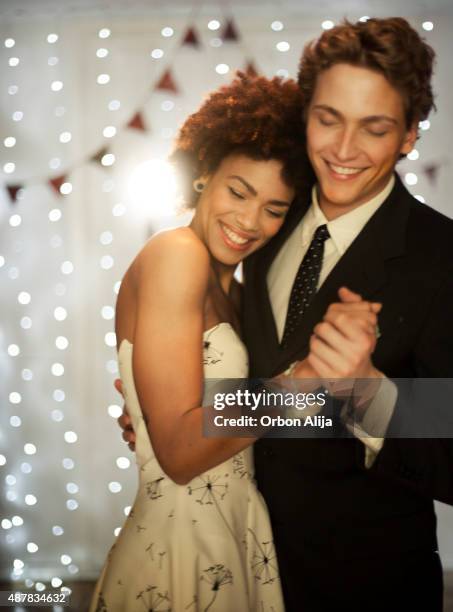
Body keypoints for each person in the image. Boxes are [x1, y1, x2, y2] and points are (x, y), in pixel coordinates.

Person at [120, 17, 453, 612]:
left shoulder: (441, 257)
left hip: (364, 588)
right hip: (239, 562)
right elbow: (236, 381)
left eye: (373, 129)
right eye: (328, 120)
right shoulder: (268, 216)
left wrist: (368, 391)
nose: (343, 151)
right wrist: (168, 413)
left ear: (408, 135)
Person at [90, 73, 379, 612]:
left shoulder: (245, 290)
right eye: (238, 192)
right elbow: (179, 454)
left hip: (241, 535)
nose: (249, 222)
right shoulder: (178, 254)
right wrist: (304, 384)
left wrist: (347, 391)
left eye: (274, 209)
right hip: (182, 542)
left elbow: (214, 419)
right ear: (204, 173)